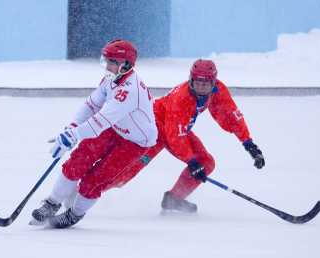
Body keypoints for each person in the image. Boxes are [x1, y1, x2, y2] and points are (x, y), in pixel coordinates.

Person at [105, 59, 265, 213]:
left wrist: (249, 144)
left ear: (214, 82)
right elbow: (175, 137)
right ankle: (88, 190)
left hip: (179, 129)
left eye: (205, 84)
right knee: (122, 176)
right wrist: (191, 162)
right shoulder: (181, 98)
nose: (201, 88)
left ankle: (174, 198)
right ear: (191, 80)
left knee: (206, 163)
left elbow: (231, 116)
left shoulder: (218, 91)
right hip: (153, 129)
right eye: (197, 83)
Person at [30, 39, 158, 228]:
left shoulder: (129, 91)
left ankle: (75, 214)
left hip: (136, 142)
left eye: (112, 62)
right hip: (114, 128)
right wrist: (71, 128)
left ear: (126, 65)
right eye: (107, 60)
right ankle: (52, 202)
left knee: (96, 179)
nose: (107, 65)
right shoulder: (110, 78)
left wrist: (73, 135)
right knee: (79, 159)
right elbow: (92, 104)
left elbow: (100, 121)